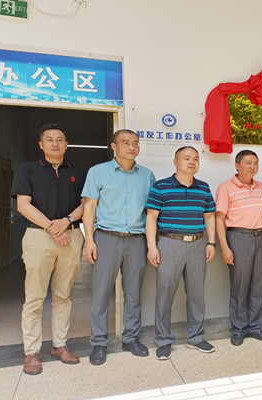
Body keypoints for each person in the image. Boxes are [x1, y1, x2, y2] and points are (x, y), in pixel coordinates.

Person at [11, 123, 86, 375]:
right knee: (35, 296)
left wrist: (67, 221)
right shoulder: (28, 170)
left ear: (66, 144)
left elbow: (86, 204)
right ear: (41, 144)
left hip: (71, 236)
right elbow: (23, 205)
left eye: (60, 139)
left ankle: (59, 345)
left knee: (63, 295)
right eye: (50, 139)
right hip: (38, 237)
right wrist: (53, 228)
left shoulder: (77, 172)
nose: (55, 143)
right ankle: (31, 352)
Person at [82, 129, 155, 365]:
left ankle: (131, 338)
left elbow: (152, 212)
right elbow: (89, 207)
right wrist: (89, 240)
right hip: (106, 238)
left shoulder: (147, 175)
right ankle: (99, 343)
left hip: (137, 239)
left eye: (135, 143)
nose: (132, 147)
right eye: (125, 143)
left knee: (133, 293)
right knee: (101, 293)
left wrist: (151, 243)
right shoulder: (98, 172)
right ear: (114, 146)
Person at [146, 146, 216, 360]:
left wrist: (211, 243)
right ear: (175, 161)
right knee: (165, 294)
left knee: (196, 294)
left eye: (195, 159)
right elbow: (151, 217)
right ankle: (163, 340)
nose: (192, 162)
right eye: (187, 158)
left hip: (198, 244)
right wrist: (152, 247)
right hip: (169, 244)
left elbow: (209, 216)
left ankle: (196, 337)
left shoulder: (203, 188)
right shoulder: (161, 186)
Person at [215, 150, 262, 346]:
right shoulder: (225, 188)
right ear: (237, 165)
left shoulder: (261, 187)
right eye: (248, 163)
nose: (252, 167)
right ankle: (238, 329)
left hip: (261, 237)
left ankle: (255, 327)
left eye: (255, 163)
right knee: (239, 286)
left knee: (258, 285)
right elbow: (219, 219)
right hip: (238, 238)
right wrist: (224, 247)